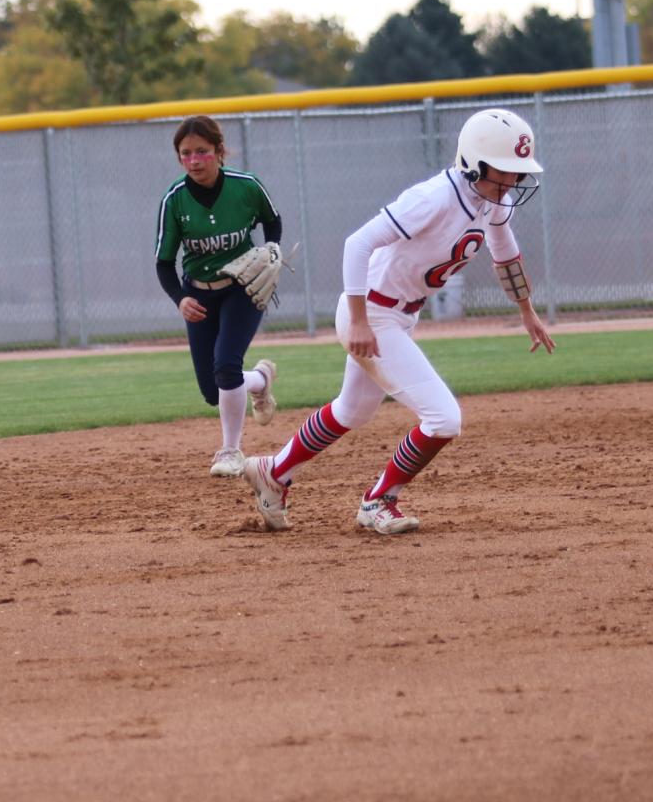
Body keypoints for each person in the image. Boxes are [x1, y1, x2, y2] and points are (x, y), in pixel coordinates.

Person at [241, 107, 557, 535]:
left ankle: (273, 471)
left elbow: (505, 253)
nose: (513, 182)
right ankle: (379, 501)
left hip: (399, 314)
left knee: (351, 410)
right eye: (505, 171)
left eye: (518, 173)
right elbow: (358, 244)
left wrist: (527, 311)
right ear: (474, 163)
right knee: (444, 419)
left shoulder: (493, 202)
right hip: (371, 312)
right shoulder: (434, 199)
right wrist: (358, 321)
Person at [153, 114, 283, 477]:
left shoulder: (246, 186)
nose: (194, 161)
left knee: (226, 364)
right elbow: (164, 262)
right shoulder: (174, 200)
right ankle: (259, 379)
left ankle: (230, 451)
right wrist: (180, 298)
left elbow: (273, 220)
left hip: (243, 289)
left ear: (220, 151)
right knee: (215, 390)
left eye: (202, 152)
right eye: (186, 153)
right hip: (200, 295)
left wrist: (272, 247)